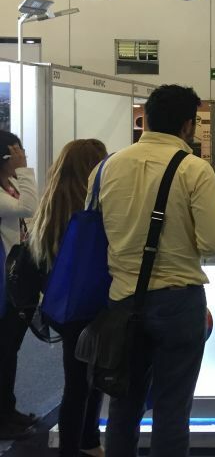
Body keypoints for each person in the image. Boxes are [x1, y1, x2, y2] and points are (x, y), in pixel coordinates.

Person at [90, 85, 215, 456]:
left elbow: (95, 230)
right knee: (172, 407)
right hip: (178, 300)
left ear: (146, 119)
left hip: (122, 298)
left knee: (124, 402)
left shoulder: (106, 167)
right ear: (188, 125)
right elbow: (212, 242)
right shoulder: (194, 169)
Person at [29, 139, 108, 456]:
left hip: (64, 308)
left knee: (76, 381)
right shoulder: (93, 209)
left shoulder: (53, 207)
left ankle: (78, 445)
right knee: (91, 380)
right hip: (94, 305)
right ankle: (84, 443)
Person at [0, 131, 39, 441]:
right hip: (3, 282)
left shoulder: (9, 184)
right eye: (17, 152)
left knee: (10, 349)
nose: (22, 156)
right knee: (3, 349)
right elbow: (28, 207)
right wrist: (25, 170)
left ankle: (8, 409)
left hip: (15, 278)